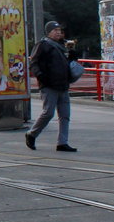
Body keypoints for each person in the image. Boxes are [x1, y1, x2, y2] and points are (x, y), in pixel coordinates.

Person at [24, 21, 76, 152]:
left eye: (59, 30)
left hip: (63, 85)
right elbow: (33, 63)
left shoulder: (62, 46)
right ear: (48, 32)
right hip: (49, 85)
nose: (58, 33)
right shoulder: (43, 45)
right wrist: (40, 76)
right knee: (48, 113)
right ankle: (32, 134)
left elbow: (68, 63)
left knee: (65, 115)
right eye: (55, 30)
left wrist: (72, 55)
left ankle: (62, 142)